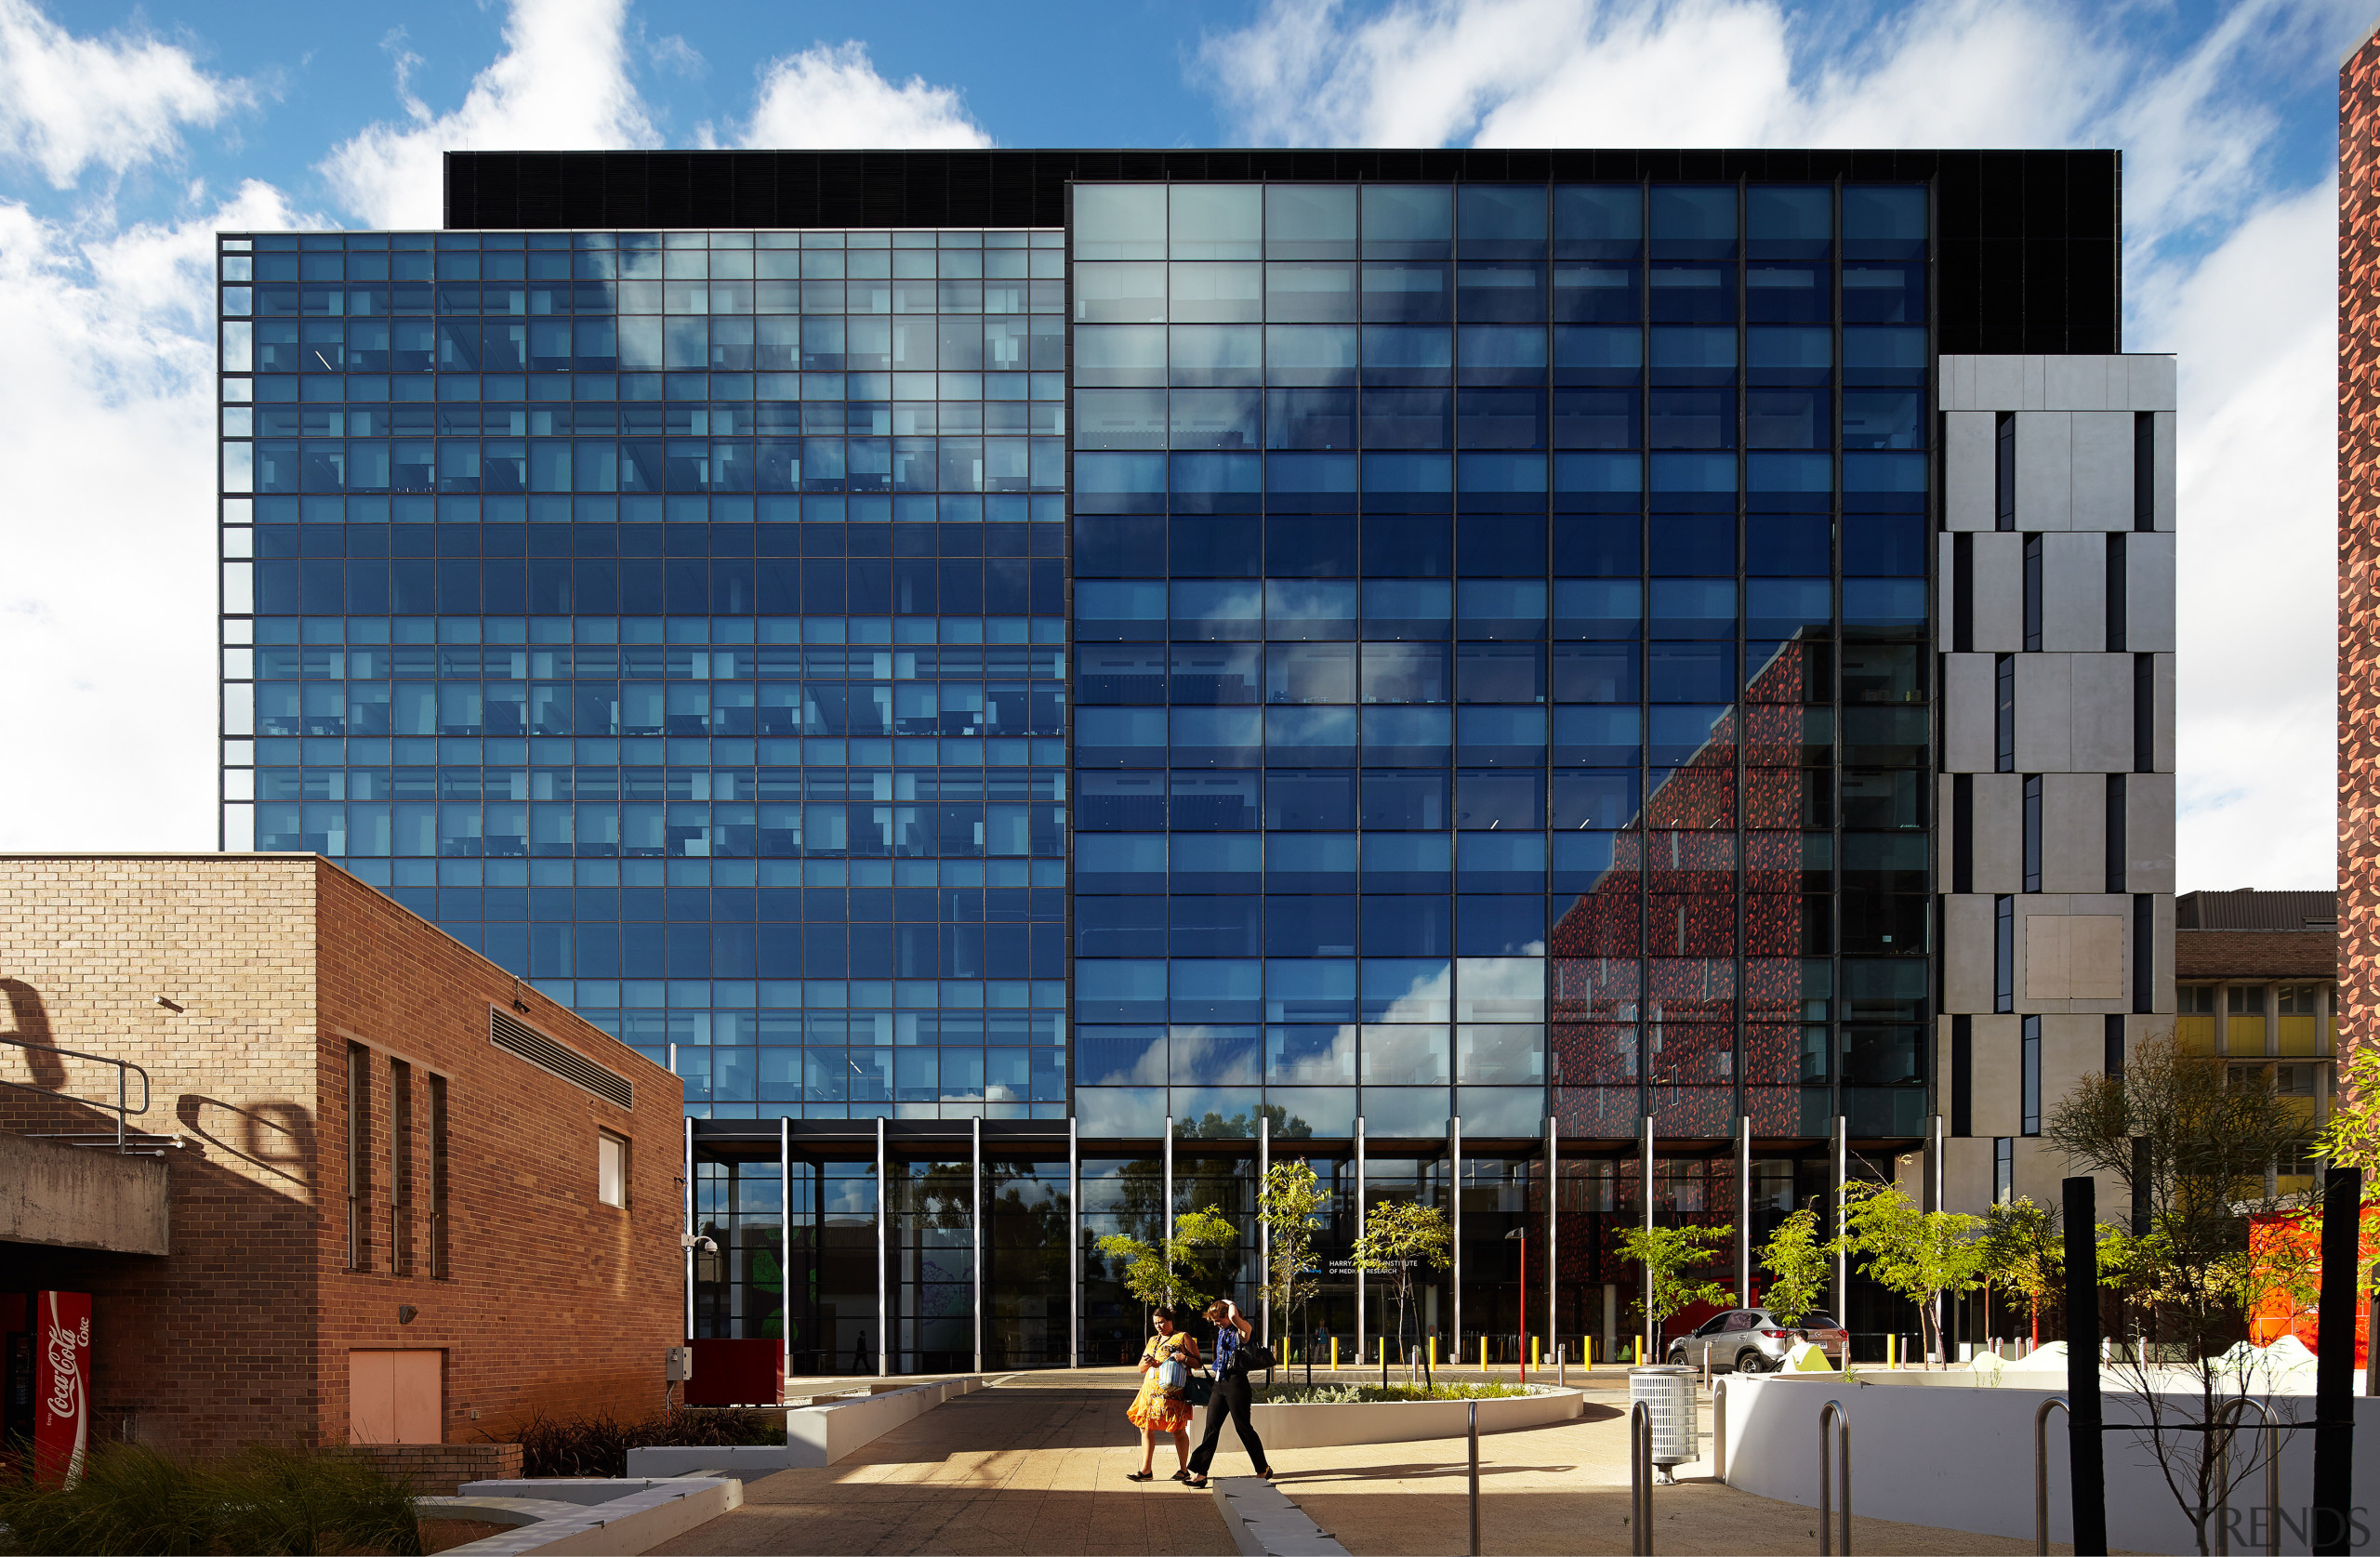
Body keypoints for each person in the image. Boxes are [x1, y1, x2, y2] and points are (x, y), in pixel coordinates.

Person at [1184, 1298, 1273, 1488]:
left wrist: (1228, 1301)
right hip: (1219, 1384)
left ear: (1228, 1316)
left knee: (1243, 1428)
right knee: (1211, 1428)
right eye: (1214, 1320)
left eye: (1218, 1319)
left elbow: (1233, 1315)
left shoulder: (1243, 1332)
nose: (1216, 1323)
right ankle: (1201, 1474)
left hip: (1237, 1384)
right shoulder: (1223, 1332)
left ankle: (1263, 1469)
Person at [1125, 1306, 1200, 1482]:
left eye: (1161, 1322)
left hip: (1173, 1392)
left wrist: (1184, 1358)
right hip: (1150, 1391)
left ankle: (1184, 1469)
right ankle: (1146, 1470)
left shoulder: (1182, 1337)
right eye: (1155, 1323)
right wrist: (1149, 1362)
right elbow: (1141, 1368)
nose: (1158, 1326)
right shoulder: (1152, 1340)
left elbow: (1197, 1362)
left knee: (1178, 1430)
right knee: (1145, 1427)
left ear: (1170, 1321)